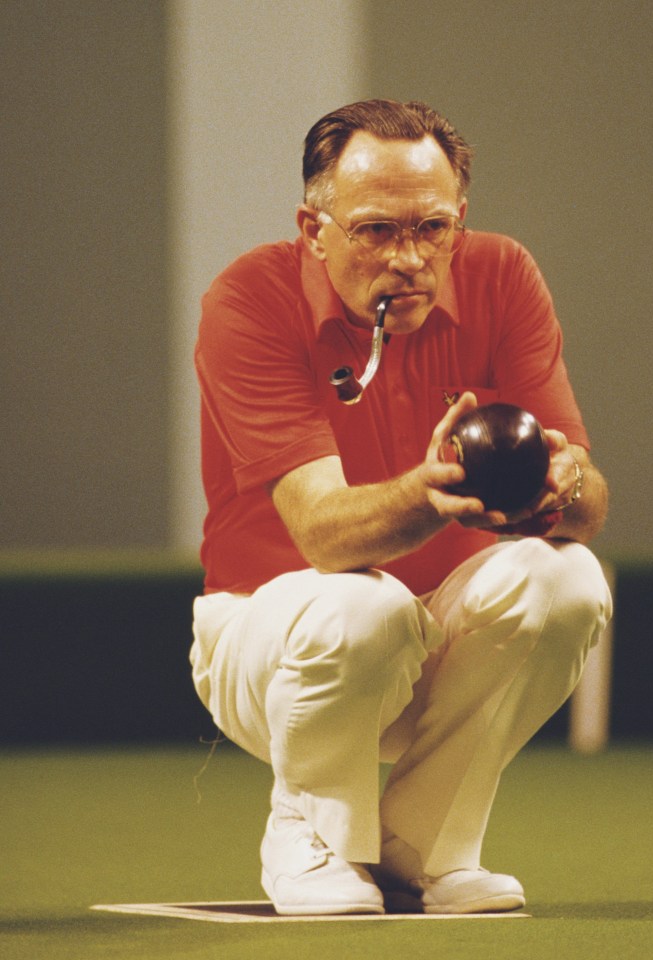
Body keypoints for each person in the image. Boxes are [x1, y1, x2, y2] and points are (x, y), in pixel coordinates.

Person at [190, 99, 612, 916]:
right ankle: (312, 838)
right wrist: (429, 494)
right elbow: (322, 532)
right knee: (359, 602)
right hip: (273, 646)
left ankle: (423, 851)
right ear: (314, 227)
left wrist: (559, 487)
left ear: (460, 221)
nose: (410, 258)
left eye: (431, 228)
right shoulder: (248, 298)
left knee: (568, 580)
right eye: (375, 231)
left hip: (438, 648)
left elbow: (586, 501)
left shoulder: (503, 275)